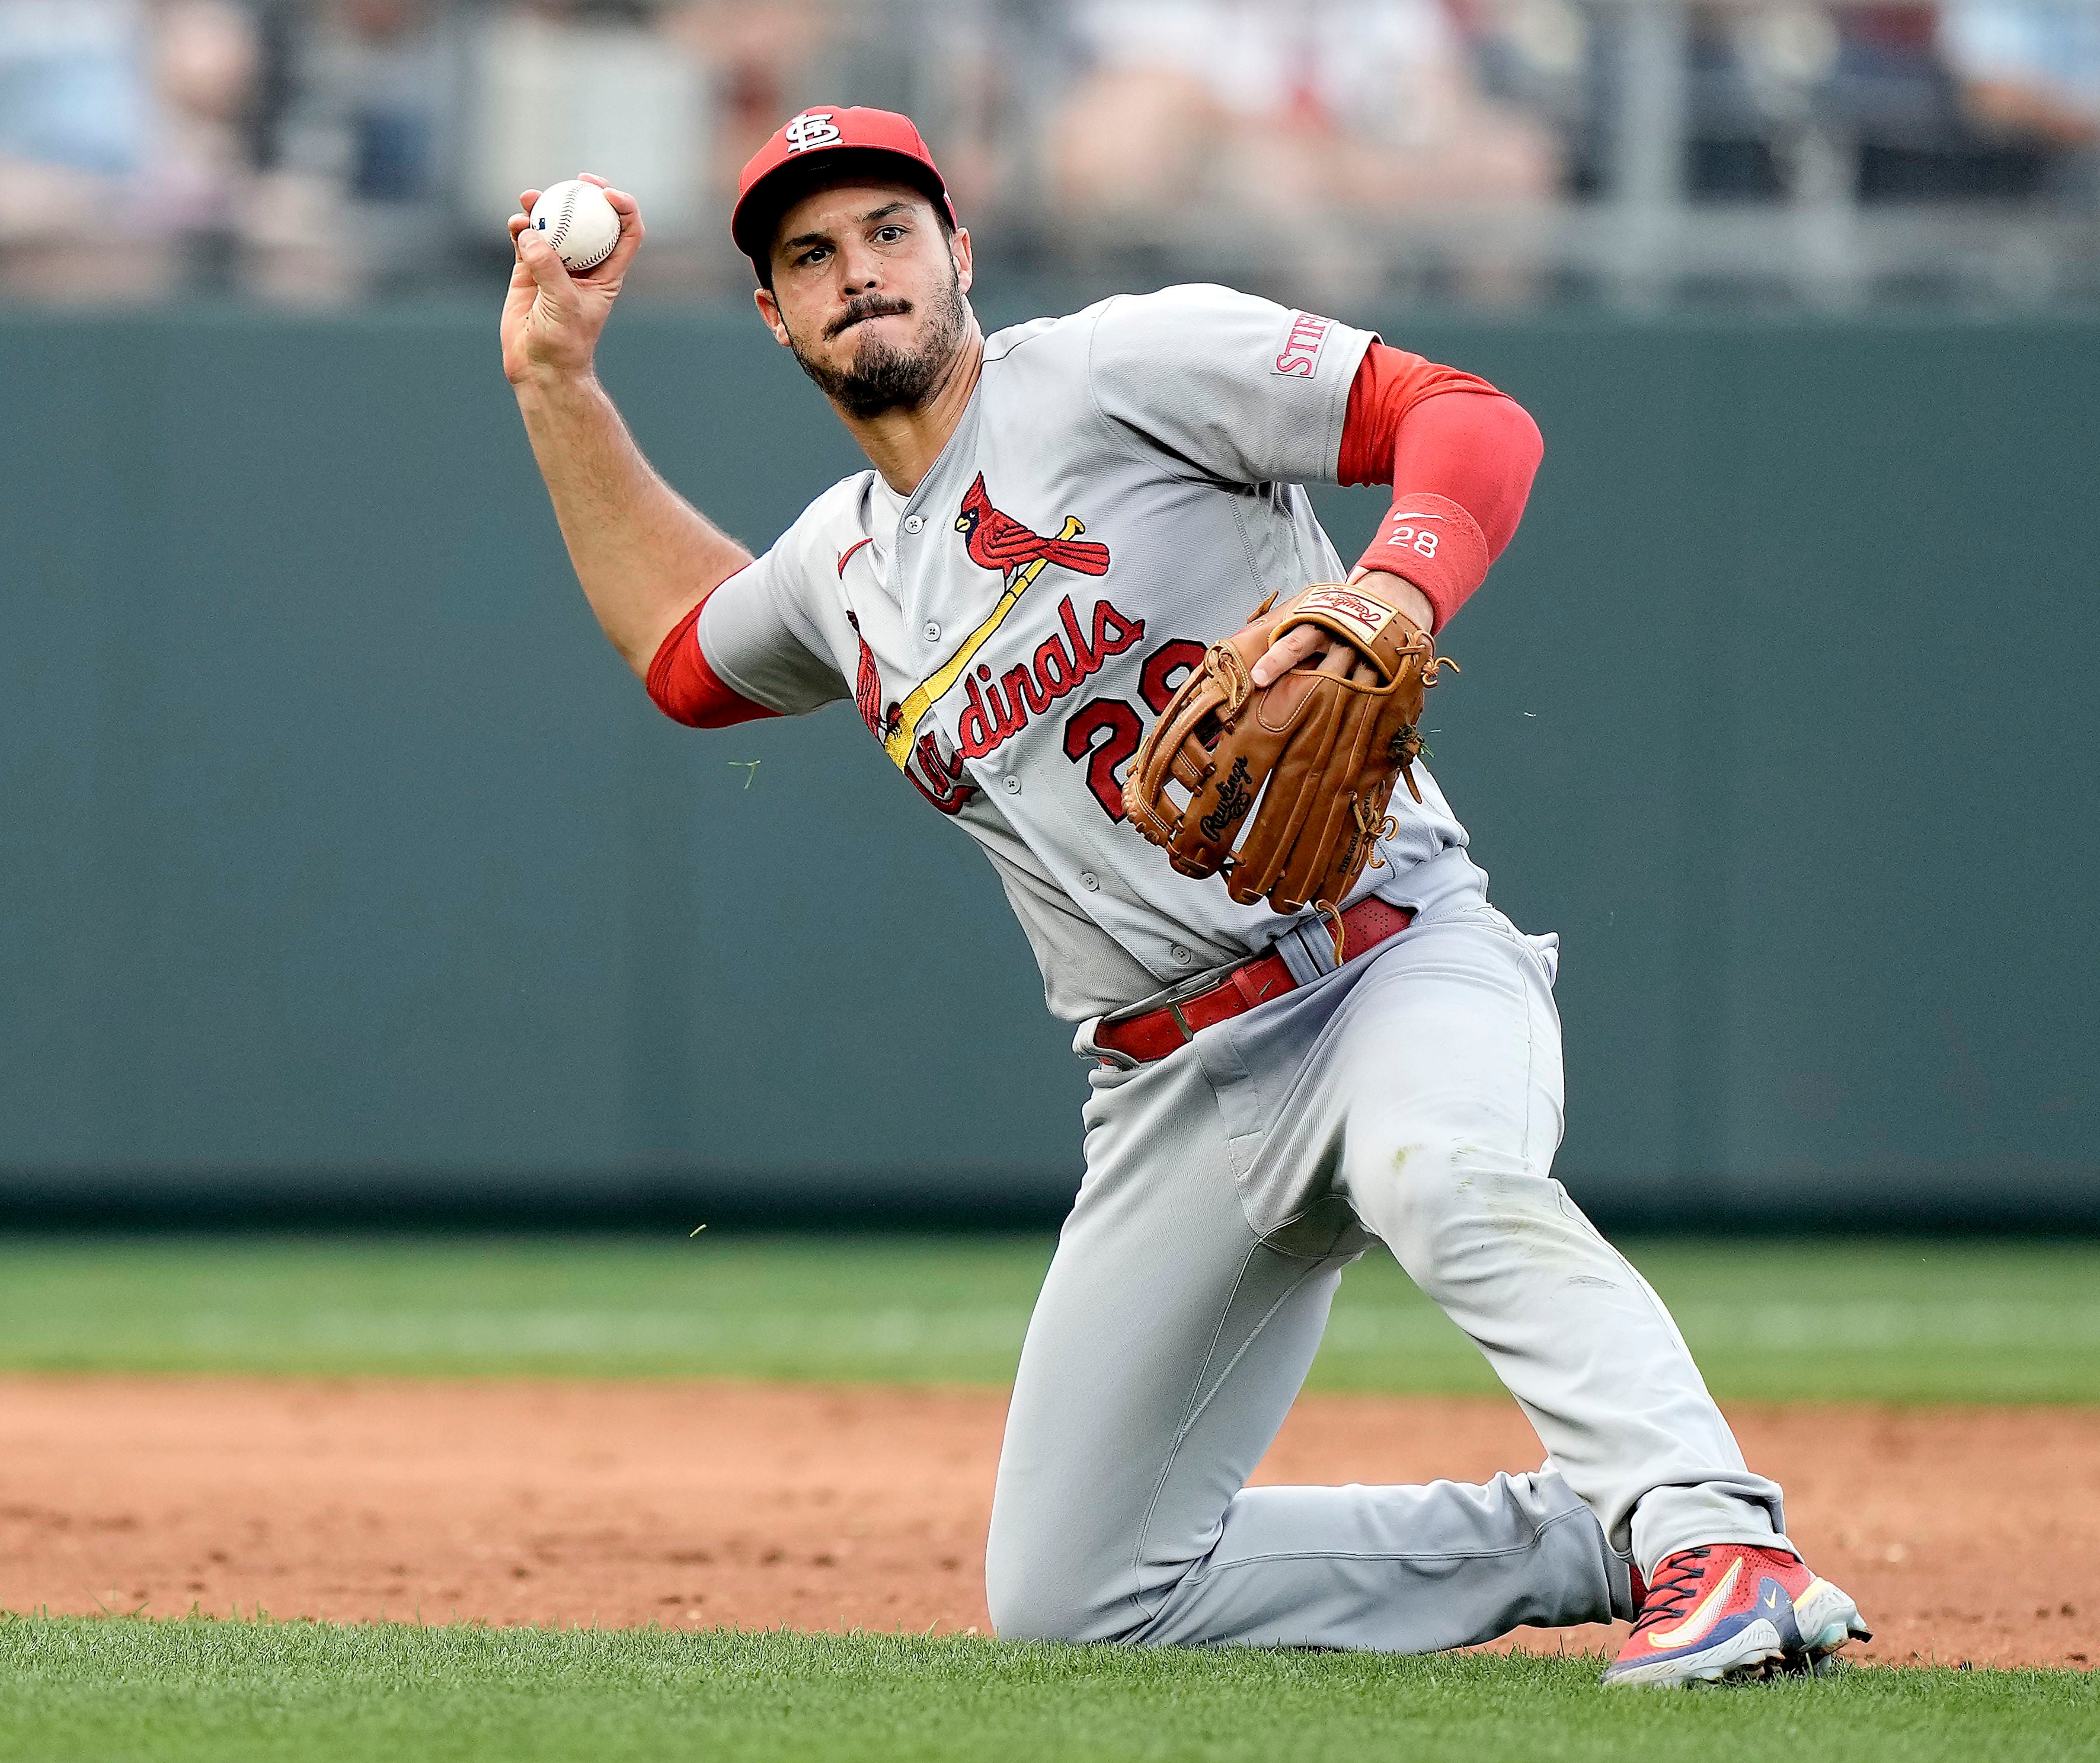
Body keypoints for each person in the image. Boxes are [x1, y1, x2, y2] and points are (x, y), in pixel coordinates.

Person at [498, 104, 1869, 1687]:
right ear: (774, 315)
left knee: (1439, 1170)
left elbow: (1467, 421)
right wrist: (553, 381)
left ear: (959, 249)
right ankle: (1585, 1537)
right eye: (809, 255)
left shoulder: (1117, 370)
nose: (855, 273)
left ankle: (1716, 1540)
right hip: (1166, 1091)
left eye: (886, 231)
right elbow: (680, 655)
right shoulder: (843, 568)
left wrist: (1386, 589)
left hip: (1380, 963)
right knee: (1076, 1596)